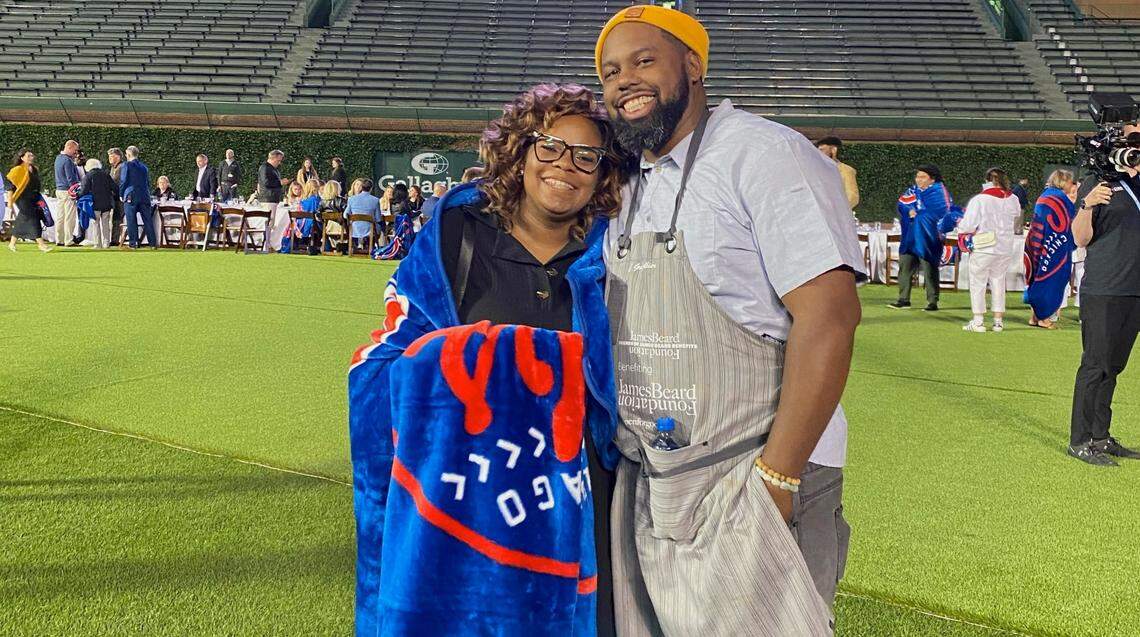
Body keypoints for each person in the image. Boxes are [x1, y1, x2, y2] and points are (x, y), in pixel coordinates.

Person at [596, 6, 863, 633]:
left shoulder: (766, 154)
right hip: (656, 476)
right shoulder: (627, 180)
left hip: (754, 470)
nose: (623, 82)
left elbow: (830, 318)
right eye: (610, 72)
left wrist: (776, 480)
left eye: (643, 61)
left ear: (693, 64)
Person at [348, 82, 626, 636]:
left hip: (579, 493)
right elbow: (389, 352)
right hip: (469, 489)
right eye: (549, 146)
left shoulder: (615, 253)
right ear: (520, 153)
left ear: (602, 175)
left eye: (586, 156)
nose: (565, 165)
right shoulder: (457, 234)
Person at [1068, 125, 1140, 466]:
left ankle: (1101, 435)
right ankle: (1080, 440)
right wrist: (1086, 205)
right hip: (1105, 288)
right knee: (1095, 365)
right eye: (1133, 138)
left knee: (1114, 366)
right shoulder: (1099, 182)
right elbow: (1080, 239)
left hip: (1135, 290)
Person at [958, 168, 1021, 333]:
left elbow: (968, 224)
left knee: (978, 283)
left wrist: (960, 228)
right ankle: (998, 321)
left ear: (987, 181)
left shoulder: (980, 199)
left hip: (984, 246)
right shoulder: (1013, 198)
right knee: (999, 282)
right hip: (1005, 247)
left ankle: (978, 321)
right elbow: (1015, 217)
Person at [890, 164, 953, 311]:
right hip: (910, 236)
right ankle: (903, 299)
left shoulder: (939, 192)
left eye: (923, 176)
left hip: (928, 238)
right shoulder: (912, 190)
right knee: (905, 267)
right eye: (917, 176)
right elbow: (902, 204)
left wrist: (920, 213)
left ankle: (932, 301)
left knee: (929, 269)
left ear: (932, 179)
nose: (918, 179)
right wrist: (909, 209)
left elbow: (942, 211)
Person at [1024, 169, 1076, 330]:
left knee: (1037, 277)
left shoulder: (1044, 196)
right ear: (1063, 181)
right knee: (1051, 279)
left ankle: (1035, 316)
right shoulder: (1059, 199)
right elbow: (1069, 225)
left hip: (1037, 243)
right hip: (1054, 248)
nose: (1072, 185)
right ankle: (1044, 318)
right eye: (1070, 182)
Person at [5, 148, 54, 252]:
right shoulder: (17, 170)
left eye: (32, 155)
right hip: (22, 198)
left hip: (34, 196)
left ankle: (12, 243)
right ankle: (41, 244)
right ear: (22, 158)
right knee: (33, 217)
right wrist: (10, 203)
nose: (31, 157)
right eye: (28, 156)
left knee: (22, 219)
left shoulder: (34, 169)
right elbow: (10, 186)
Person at [119, 145, 156, 249]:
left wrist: (121, 194)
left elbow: (123, 181)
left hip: (131, 194)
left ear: (129, 154)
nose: (126, 156)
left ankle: (133, 243)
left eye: (126, 154)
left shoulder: (126, 165)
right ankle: (152, 243)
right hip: (144, 195)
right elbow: (147, 183)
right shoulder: (144, 167)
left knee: (131, 219)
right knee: (148, 219)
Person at [78, 158, 118, 249]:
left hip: (94, 203)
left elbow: (84, 191)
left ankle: (97, 244)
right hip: (107, 203)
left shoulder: (88, 176)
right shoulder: (106, 174)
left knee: (95, 223)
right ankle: (106, 243)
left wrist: (77, 195)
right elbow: (114, 187)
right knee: (106, 224)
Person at [815, 136, 859, 211]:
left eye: (822, 150)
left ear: (833, 150)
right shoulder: (817, 169)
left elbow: (852, 197)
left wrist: (836, 211)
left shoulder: (846, 170)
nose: (819, 154)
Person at [53, 139, 82, 247]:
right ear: (69, 147)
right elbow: (71, 178)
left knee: (60, 216)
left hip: (59, 190)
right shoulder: (68, 161)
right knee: (69, 217)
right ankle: (69, 240)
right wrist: (77, 189)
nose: (76, 153)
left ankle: (59, 239)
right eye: (75, 151)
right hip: (68, 191)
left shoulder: (58, 159)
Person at [343, 178, 382, 248]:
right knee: (380, 226)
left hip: (354, 229)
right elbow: (378, 218)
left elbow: (345, 215)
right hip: (370, 230)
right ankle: (372, 245)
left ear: (362, 187)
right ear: (371, 188)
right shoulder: (375, 200)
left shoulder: (351, 199)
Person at [107, 148, 125, 246]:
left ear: (118, 157)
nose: (109, 158)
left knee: (118, 218)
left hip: (120, 197)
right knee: (115, 218)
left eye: (111, 156)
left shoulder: (121, 167)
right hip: (115, 196)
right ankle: (114, 239)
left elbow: (116, 182)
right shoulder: (113, 167)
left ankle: (115, 240)